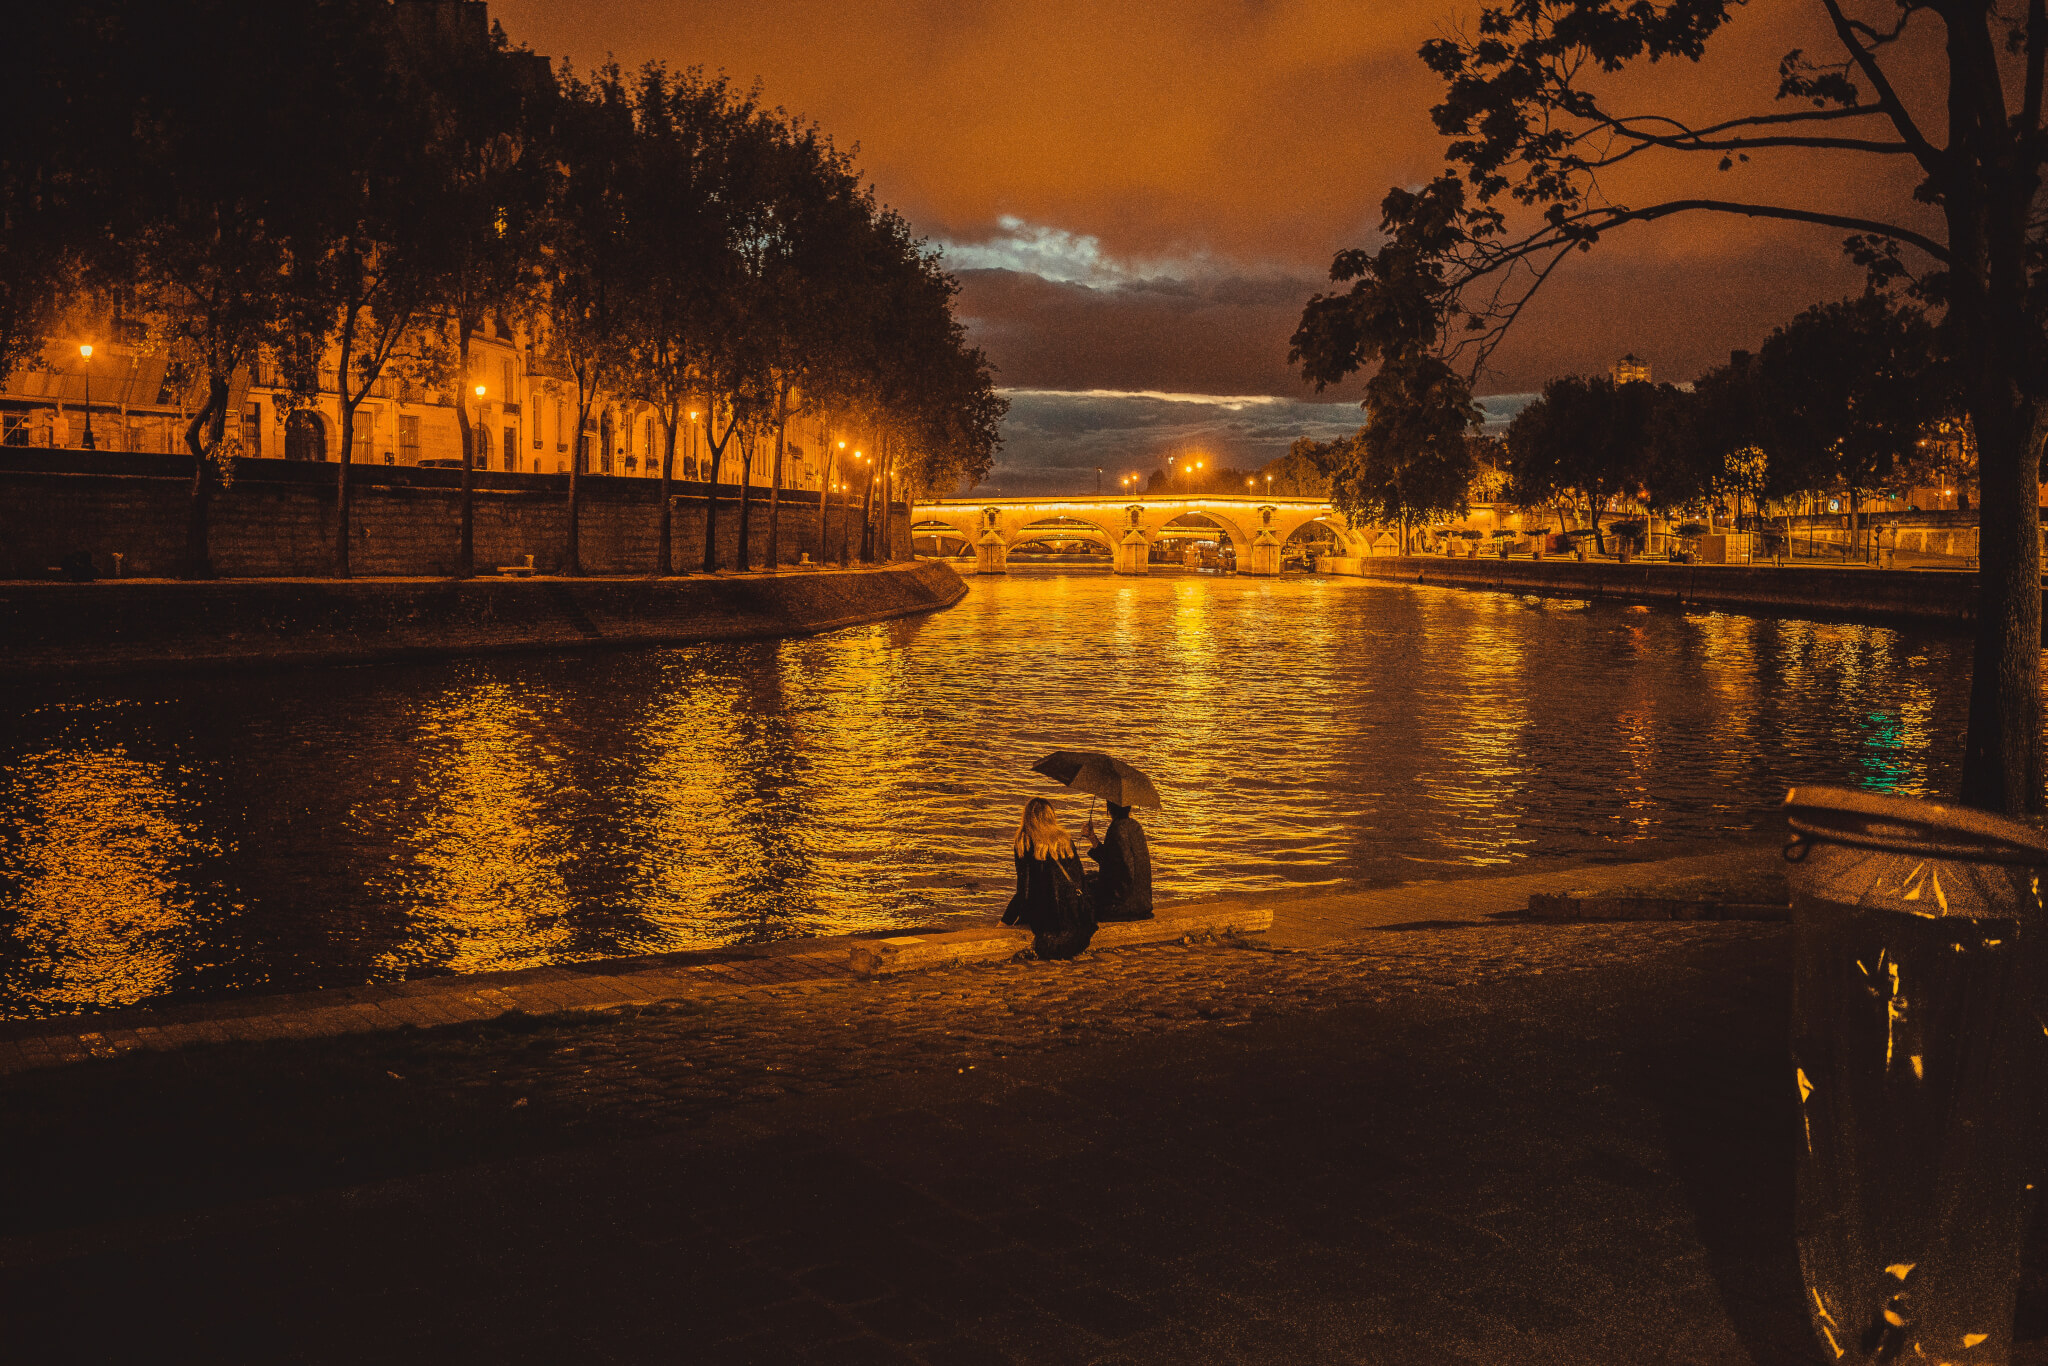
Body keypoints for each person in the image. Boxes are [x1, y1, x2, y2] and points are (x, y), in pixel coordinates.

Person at [1002, 797, 1095, 960]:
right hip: (1072, 915)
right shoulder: (1065, 840)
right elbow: (1080, 878)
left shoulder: (1025, 842)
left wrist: (1005, 921)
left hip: (1046, 916)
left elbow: (1024, 890)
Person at [1083, 801, 1153, 921]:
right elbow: (1115, 861)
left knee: (1086, 884)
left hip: (1123, 906)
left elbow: (1110, 867)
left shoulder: (1116, 829)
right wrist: (1092, 838)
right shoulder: (1135, 826)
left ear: (1109, 808)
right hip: (1144, 903)